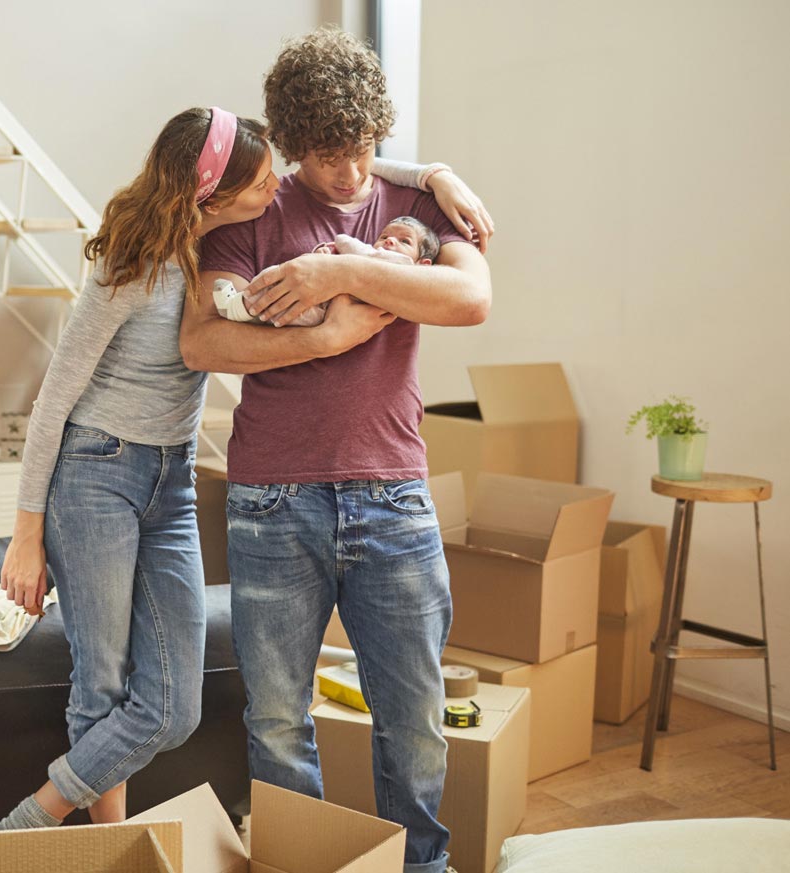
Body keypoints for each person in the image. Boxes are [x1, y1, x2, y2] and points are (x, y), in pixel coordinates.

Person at [0, 105, 491, 832]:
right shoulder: (131, 266)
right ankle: (83, 842)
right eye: (259, 183)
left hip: (174, 482)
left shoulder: (220, 244)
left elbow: (343, 166)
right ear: (209, 193)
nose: (276, 189)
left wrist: (430, 174)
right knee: (100, 683)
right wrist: (25, 533)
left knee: (173, 706)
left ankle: (40, 816)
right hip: (96, 470)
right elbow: (55, 399)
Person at [181, 28, 493, 873]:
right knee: (278, 721)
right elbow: (203, 344)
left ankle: (418, 866)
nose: (349, 176)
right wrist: (324, 338)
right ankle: (300, 862)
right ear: (291, 144)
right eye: (326, 158)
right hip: (271, 502)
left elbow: (469, 298)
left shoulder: (416, 207)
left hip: (393, 495)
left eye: (361, 153)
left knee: (416, 716)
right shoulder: (254, 212)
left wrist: (334, 276)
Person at [214, 216, 440, 324]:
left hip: (326, 310)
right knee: (281, 279)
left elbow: (354, 251)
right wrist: (325, 253)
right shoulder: (374, 257)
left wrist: (340, 243)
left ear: (423, 264)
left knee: (286, 303)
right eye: (384, 236)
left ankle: (239, 308)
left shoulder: (402, 267)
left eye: (405, 241)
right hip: (324, 302)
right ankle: (241, 306)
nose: (390, 241)